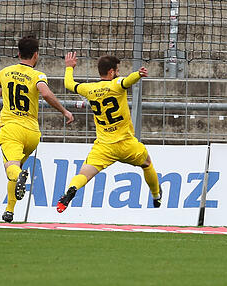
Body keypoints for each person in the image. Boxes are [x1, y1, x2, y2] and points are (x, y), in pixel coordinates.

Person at [56, 52, 162, 213]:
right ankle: (156, 196)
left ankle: (71, 189)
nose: (118, 73)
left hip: (103, 146)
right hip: (126, 143)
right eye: (117, 70)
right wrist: (138, 74)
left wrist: (69, 67)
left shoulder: (88, 88)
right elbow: (127, 81)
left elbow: (69, 84)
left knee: (84, 173)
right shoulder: (116, 84)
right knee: (147, 163)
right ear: (111, 72)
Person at [0, 36, 74, 223]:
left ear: (18, 53)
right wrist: (64, 111)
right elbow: (46, 92)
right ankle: (9, 211)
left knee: (12, 170)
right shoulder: (38, 76)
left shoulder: (4, 72)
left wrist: (8, 89)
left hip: (12, 130)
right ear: (36, 55)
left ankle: (20, 176)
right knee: (16, 167)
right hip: (32, 133)